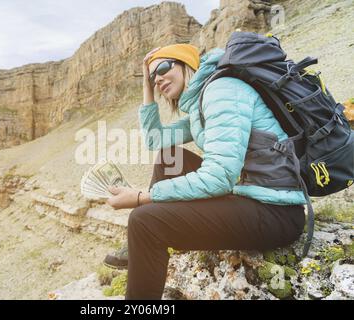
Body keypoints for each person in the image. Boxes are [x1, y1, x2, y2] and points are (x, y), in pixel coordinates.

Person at [105, 44, 307, 300]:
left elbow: (219, 177)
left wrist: (142, 197)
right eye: (153, 76)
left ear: (187, 65)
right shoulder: (201, 104)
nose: (158, 79)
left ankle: (146, 247)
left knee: (143, 222)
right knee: (170, 156)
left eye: (164, 68)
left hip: (276, 213)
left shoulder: (222, 92)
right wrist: (146, 88)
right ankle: (145, 246)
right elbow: (157, 140)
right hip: (248, 196)